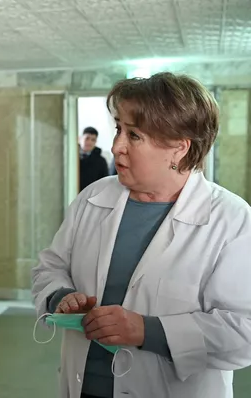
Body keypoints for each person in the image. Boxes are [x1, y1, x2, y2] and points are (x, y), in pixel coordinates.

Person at [32, 72, 251, 398]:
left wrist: (146, 331)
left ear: (179, 148)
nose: (116, 146)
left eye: (134, 135)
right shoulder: (93, 198)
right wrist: (60, 296)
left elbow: (244, 331)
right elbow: (49, 267)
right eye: (118, 128)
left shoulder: (231, 219)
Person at [79, 126, 109, 191]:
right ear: (80, 139)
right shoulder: (71, 157)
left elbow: (104, 184)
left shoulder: (101, 162)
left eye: (93, 140)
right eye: (87, 138)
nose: (89, 142)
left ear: (95, 142)